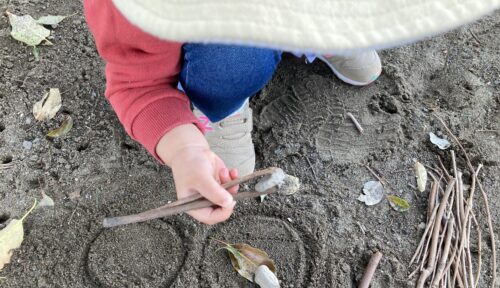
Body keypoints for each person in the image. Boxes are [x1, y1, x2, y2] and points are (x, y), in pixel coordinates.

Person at [84, 0, 498, 225]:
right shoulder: (135, 11)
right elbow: (138, 85)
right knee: (231, 64)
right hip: (218, 41)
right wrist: (185, 150)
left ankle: (323, 36)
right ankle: (221, 105)